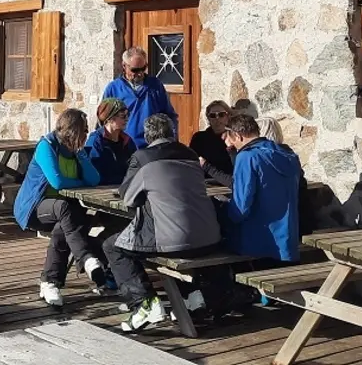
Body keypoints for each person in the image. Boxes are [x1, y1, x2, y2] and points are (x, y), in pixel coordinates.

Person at [102, 114, 222, 332]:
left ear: (148, 136)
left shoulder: (144, 158)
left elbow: (128, 198)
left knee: (112, 245)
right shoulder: (191, 155)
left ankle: (144, 303)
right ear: (172, 133)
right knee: (167, 230)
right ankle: (193, 297)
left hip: (174, 241)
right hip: (209, 238)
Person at [13, 108, 107, 307]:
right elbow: (57, 182)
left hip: (64, 211)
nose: (87, 134)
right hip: (34, 208)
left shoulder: (76, 151)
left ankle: (50, 283)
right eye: (84, 130)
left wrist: (81, 156)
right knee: (66, 209)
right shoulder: (46, 147)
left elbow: (94, 179)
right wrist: (80, 183)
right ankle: (86, 259)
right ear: (73, 131)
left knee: (63, 228)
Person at [221, 114, 302, 262]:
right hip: (287, 239)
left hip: (257, 241)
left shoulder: (247, 157)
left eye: (232, 140)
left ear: (238, 136)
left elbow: (241, 207)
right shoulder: (288, 154)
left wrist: (222, 214)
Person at [102, 47, 177, 149]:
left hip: (153, 147)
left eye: (143, 68)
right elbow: (104, 120)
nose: (140, 73)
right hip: (124, 147)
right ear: (124, 66)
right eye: (135, 70)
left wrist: (172, 141)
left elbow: (169, 115)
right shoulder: (113, 88)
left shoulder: (155, 86)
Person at [81, 98, 136, 185]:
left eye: (127, 115)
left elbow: (136, 166)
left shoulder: (127, 140)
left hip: (126, 186)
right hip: (103, 188)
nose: (127, 119)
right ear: (110, 119)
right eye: (123, 116)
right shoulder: (96, 141)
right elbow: (96, 173)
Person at [189, 100, 236, 185]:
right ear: (208, 119)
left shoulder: (236, 137)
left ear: (228, 116)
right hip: (205, 184)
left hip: (229, 184)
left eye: (221, 115)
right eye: (212, 115)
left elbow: (239, 166)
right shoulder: (199, 138)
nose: (217, 119)